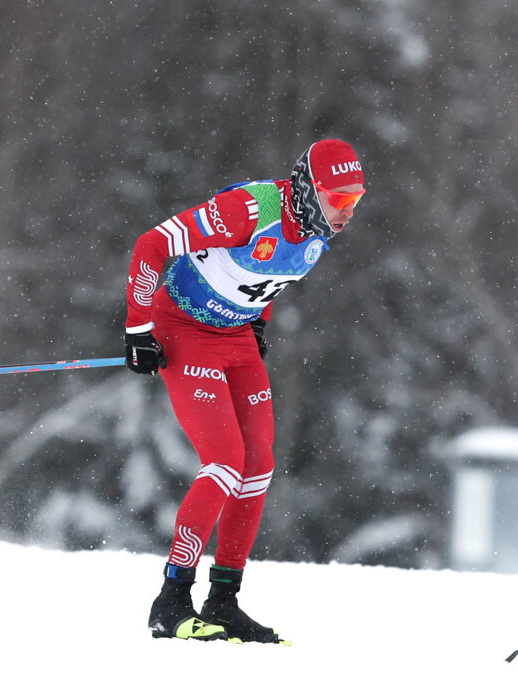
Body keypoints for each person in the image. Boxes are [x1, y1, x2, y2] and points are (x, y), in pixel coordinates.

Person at [122, 139, 366, 643]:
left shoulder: (318, 233)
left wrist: (260, 322)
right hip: (184, 329)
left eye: (354, 201)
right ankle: (170, 601)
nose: (346, 213)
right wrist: (138, 330)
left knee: (258, 466)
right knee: (225, 462)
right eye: (339, 200)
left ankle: (223, 601)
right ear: (307, 189)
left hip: (236, 338)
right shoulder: (249, 210)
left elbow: (270, 278)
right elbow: (152, 244)